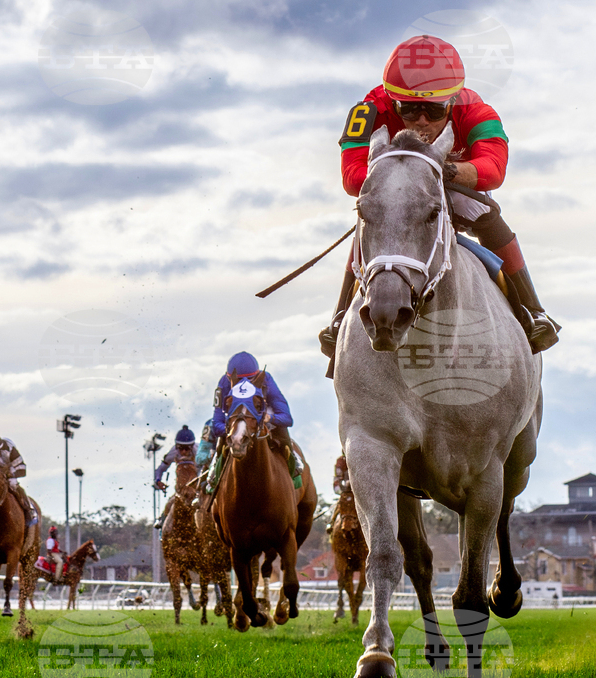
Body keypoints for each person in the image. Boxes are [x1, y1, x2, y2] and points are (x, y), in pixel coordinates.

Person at [320, 34, 559, 359]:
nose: (421, 120)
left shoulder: (477, 110)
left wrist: (447, 172)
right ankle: (339, 318)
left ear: (453, 101)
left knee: (480, 208)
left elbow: (494, 168)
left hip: (450, 183)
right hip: (398, 189)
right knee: (377, 210)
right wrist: (400, 179)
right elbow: (352, 178)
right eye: (409, 108)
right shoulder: (367, 109)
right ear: (392, 101)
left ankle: (533, 310)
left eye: (434, 110)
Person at [204, 351, 301, 492]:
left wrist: (270, 418)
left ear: (256, 376)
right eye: (238, 381)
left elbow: (287, 418)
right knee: (223, 439)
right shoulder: (224, 383)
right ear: (230, 378)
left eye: (250, 380)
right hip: (236, 420)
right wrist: (231, 427)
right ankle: (215, 468)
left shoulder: (266, 379)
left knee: (282, 428)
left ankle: (293, 460)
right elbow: (217, 422)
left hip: (263, 419)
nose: (244, 385)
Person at [0, 431, 38, 530]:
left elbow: (22, 470)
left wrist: (10, 474)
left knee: (13, 484)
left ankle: (28, 508)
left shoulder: (10, 450)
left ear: (0, 450)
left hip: (8, 471)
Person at [152, 425, 197, 529]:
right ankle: (162, 521)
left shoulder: (199, 451)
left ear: (192, 446)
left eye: (186, 448)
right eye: (181, 448)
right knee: (170, 503)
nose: (183, 452)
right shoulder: (173, 452)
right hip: (181, 487)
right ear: (176, 446)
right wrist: (158, 481)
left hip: (198, 485)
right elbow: (160, 469)